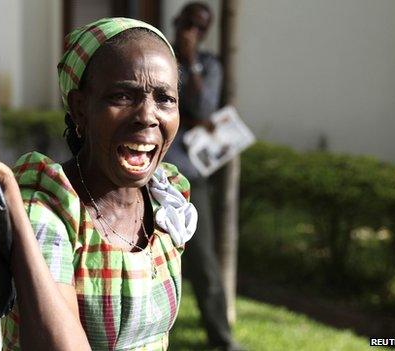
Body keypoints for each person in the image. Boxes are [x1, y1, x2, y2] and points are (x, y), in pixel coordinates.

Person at [0, 17, 198, 350]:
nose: (147, 116)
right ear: (80, 109)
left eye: (165, 99)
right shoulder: (49, 211)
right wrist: (11, 203)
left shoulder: (166, 201)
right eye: (122, 96)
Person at [164, 3, 242, 351]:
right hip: (153, 170)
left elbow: (203, 107)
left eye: (200, 27)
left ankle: (222, 339)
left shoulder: (208, 65)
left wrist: (191, 60)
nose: (191, 31)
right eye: (187, 23)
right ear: (176, 21)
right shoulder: (158, 55)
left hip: (190, 176)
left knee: (203, 262)